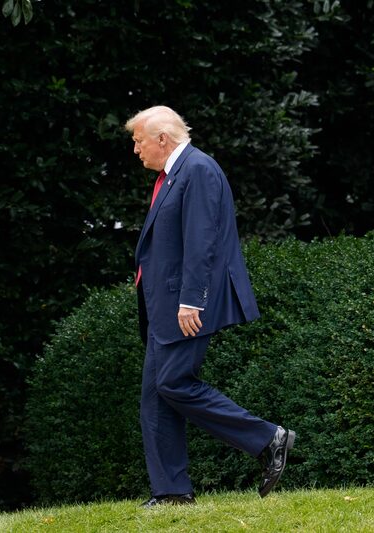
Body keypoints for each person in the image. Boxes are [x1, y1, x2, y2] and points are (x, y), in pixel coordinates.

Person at [126, 105, 295, 508]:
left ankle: (267, 438)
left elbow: (202, 241)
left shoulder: (198, 169)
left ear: (162, 138)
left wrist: (191, 301)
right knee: (156, 397)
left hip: (183, 304)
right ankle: (171, 493)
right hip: (164, 304)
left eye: (138, 140)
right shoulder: (176, 174)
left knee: (173, 383)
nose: (136, 149)